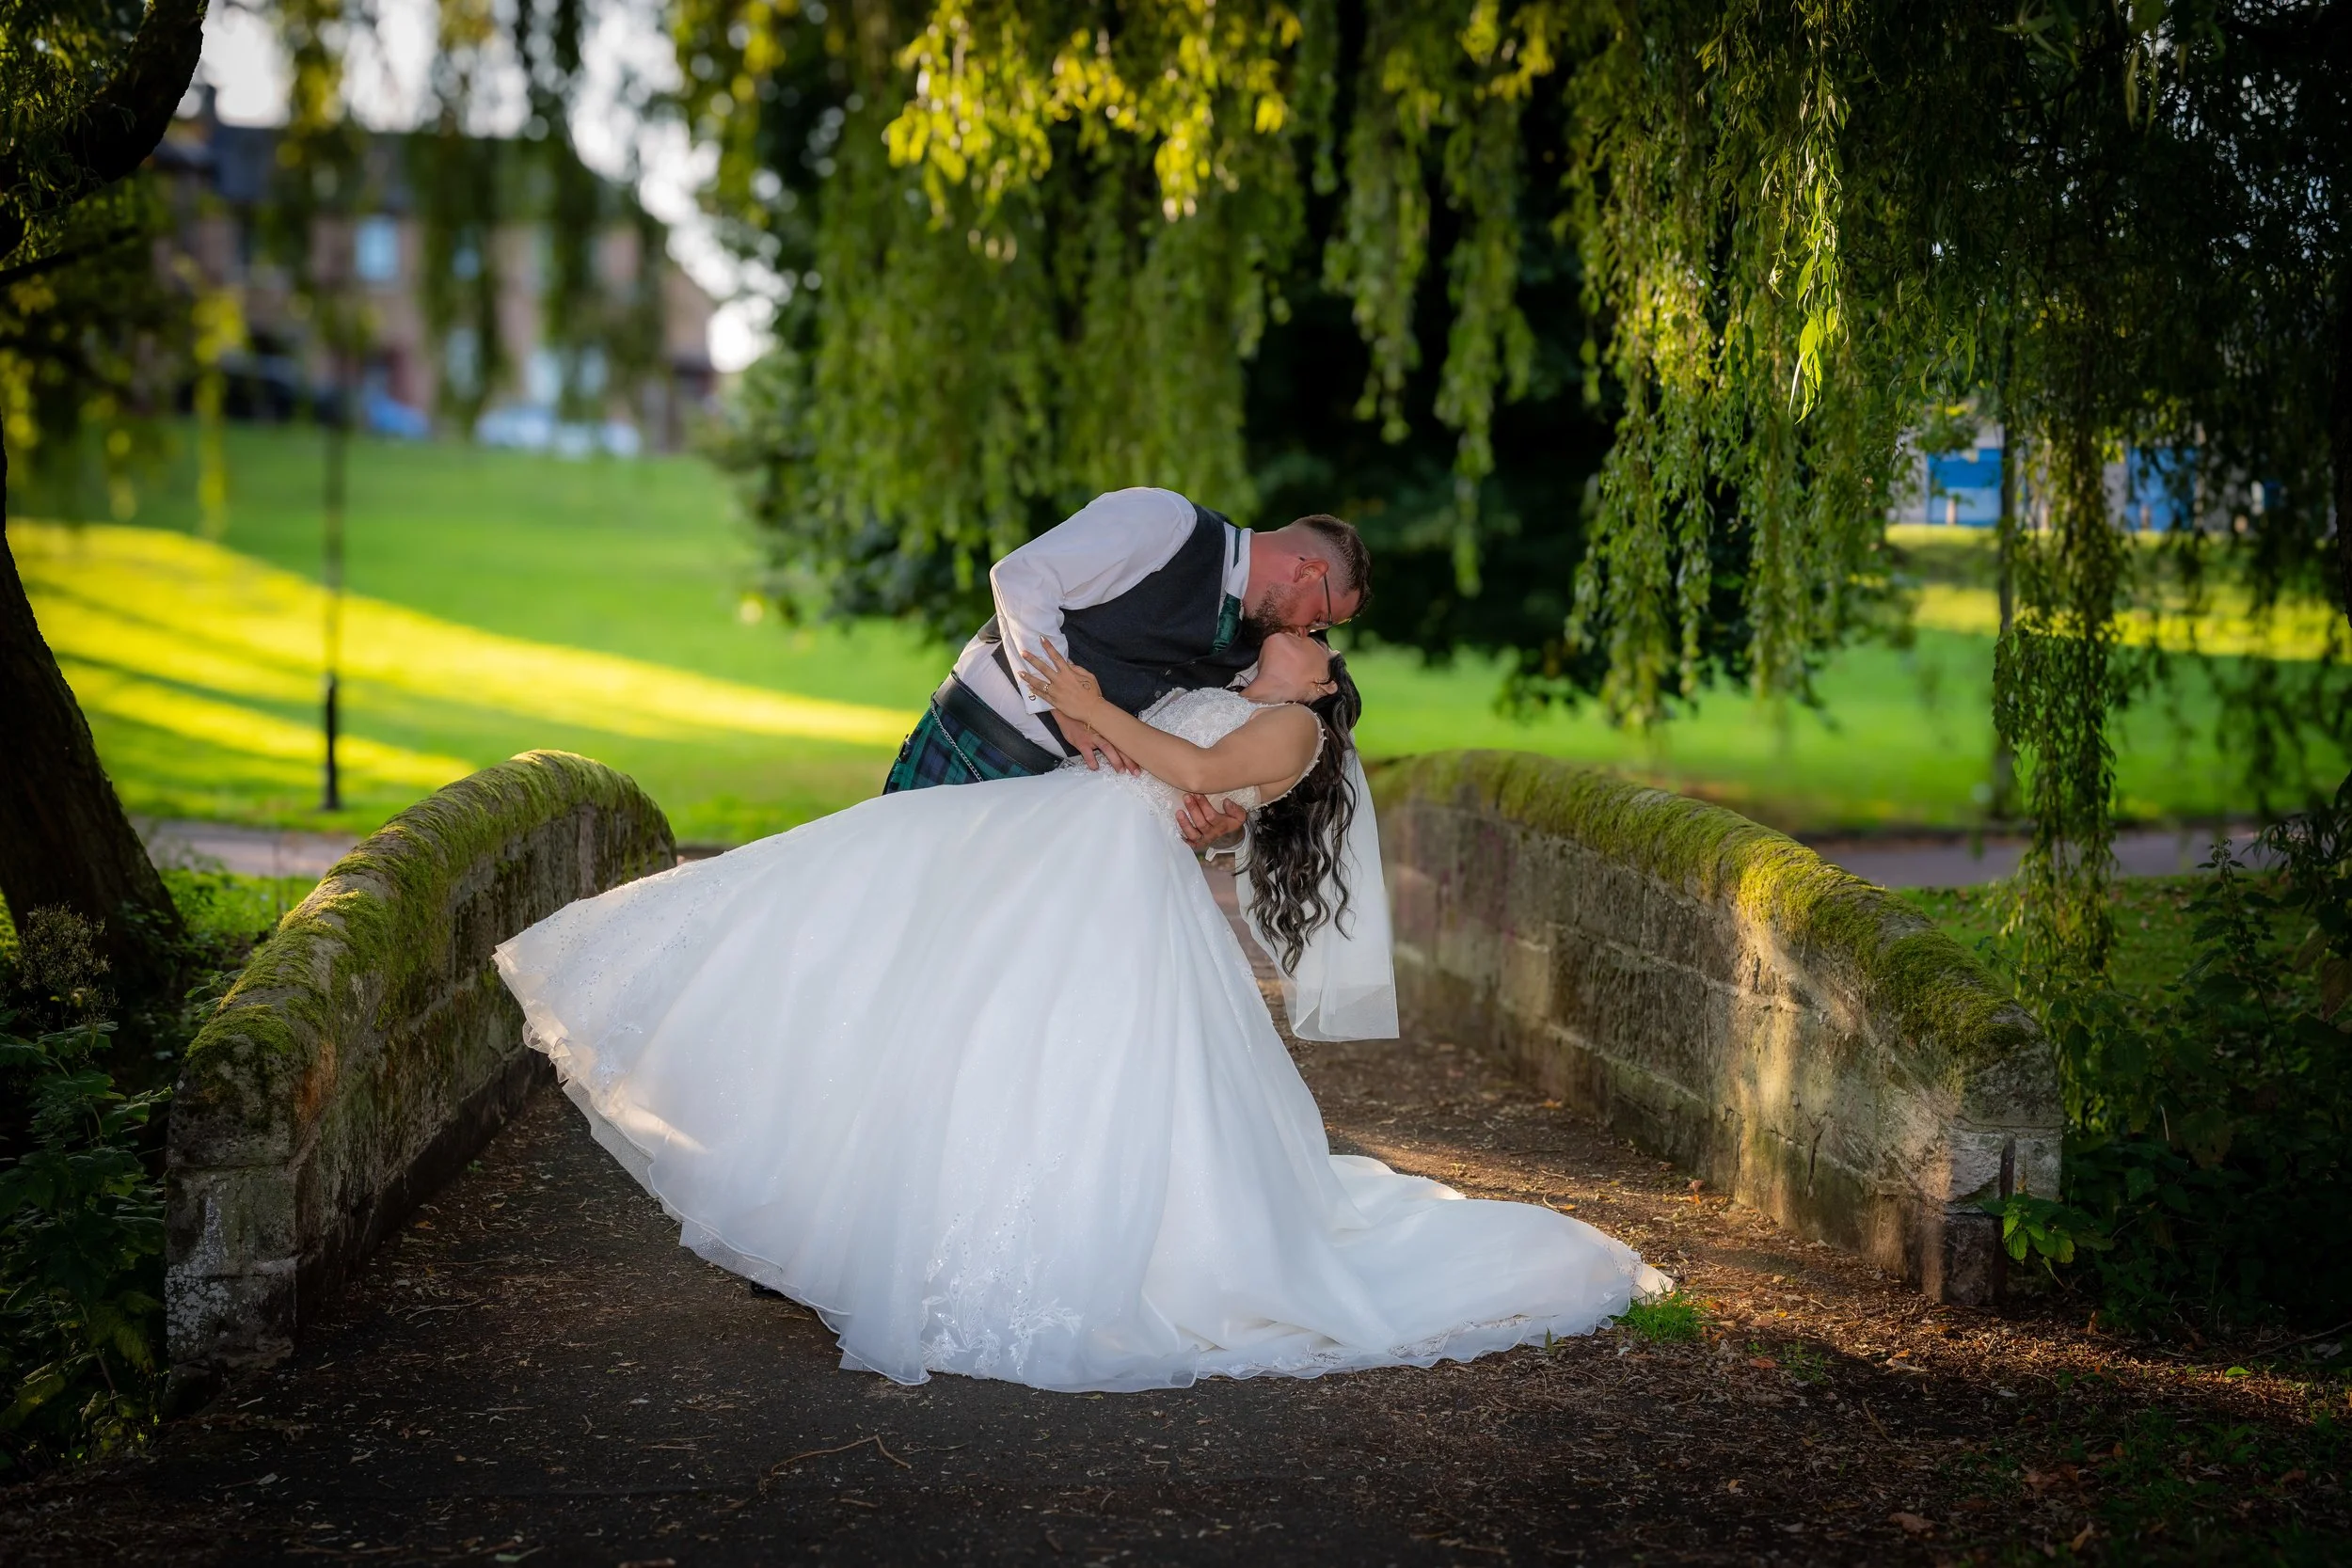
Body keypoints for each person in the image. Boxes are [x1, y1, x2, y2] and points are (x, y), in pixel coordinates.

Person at [497, 633, 1665, 1396]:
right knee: (911, 959)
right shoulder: (1234, 684)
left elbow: (1196, 777)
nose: (1311, 639)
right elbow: (1146, 761)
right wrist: (1094, 720)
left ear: (1319, 684)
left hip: (1110, 883)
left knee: (1084, 1058)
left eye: (1323, 644)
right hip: (1058, 840)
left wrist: (1106, 709)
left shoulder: (1297, 730)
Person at [882, 485, 1371, 857]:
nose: (1312, 632)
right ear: (1309, 572)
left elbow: (1227, 761)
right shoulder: (1164, 522)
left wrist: (1226, 827)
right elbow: (1023, 577)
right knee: (895, 910)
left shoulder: (1258, 656)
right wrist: (1061, 703)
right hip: (976, 745)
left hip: (1068, 811)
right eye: (1323, 618)